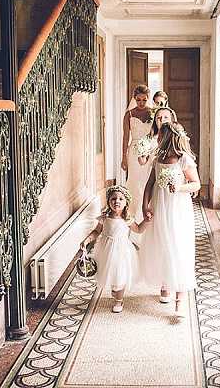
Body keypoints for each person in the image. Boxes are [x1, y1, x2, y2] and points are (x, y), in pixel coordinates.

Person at [141, 117, 201, 317]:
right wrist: (144, 205)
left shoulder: (184, 159)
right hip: (160, 206)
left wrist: (180, 187)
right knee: (162, 243)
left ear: (169, 138)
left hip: (177, 208)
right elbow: (150, 184)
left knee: (178, 245)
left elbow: (196, 184)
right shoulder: (158, 159)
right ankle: (165, 283)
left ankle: (180, 298)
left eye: (162, 136)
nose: (158, 139)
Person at [77, 185, 149, 313]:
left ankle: (119, 301)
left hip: (122, 251)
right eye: (113, 199)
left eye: (121, 199)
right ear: (108, 201)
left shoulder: (127, 219)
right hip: (106, 249)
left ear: (126, 202)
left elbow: (138, 229)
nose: (117, 201)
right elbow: (96, 231)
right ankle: (116, 288)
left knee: (120, 273)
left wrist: (147, 221)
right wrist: (87, 240)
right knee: (109, 271)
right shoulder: (104, 218)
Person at [122, 85, 153, 226]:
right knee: (135, 181)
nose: (141, 103)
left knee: (148, 181)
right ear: (134, 99)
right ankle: (133, 215)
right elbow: (125, 137)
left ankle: (147, 212)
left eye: (144, 100)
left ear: (148, 99)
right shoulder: (129, 114)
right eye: (139, 99)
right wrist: (123, 157)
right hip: (134, 151)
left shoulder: (153, 113)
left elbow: (157, 134)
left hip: (150, 151)